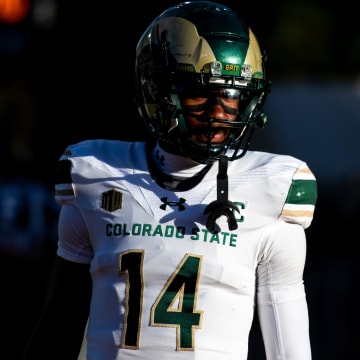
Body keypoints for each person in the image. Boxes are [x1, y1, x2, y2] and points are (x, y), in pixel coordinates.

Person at [22, 1, 317, 359]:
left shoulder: (273, 188)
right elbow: (59, 325)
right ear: (156, 93)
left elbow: (289, 349)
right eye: (200, 93)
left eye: (233, 94)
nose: (220, 111)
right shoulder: (95, 174)